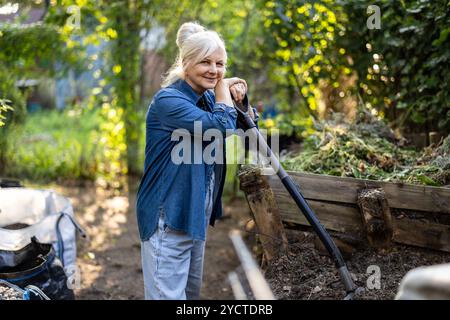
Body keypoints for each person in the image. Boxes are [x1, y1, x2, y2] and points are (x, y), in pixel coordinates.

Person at [136, 21, 258, 300]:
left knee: (189, 297)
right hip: (167, 214)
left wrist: (239, 97)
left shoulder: (205, 99)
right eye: (206, 62)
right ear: (187, 62)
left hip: (194, 213)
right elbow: (220, 128)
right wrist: (224, 88)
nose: (214, 71)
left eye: (220, 64)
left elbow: (247, 128)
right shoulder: (169, 101)